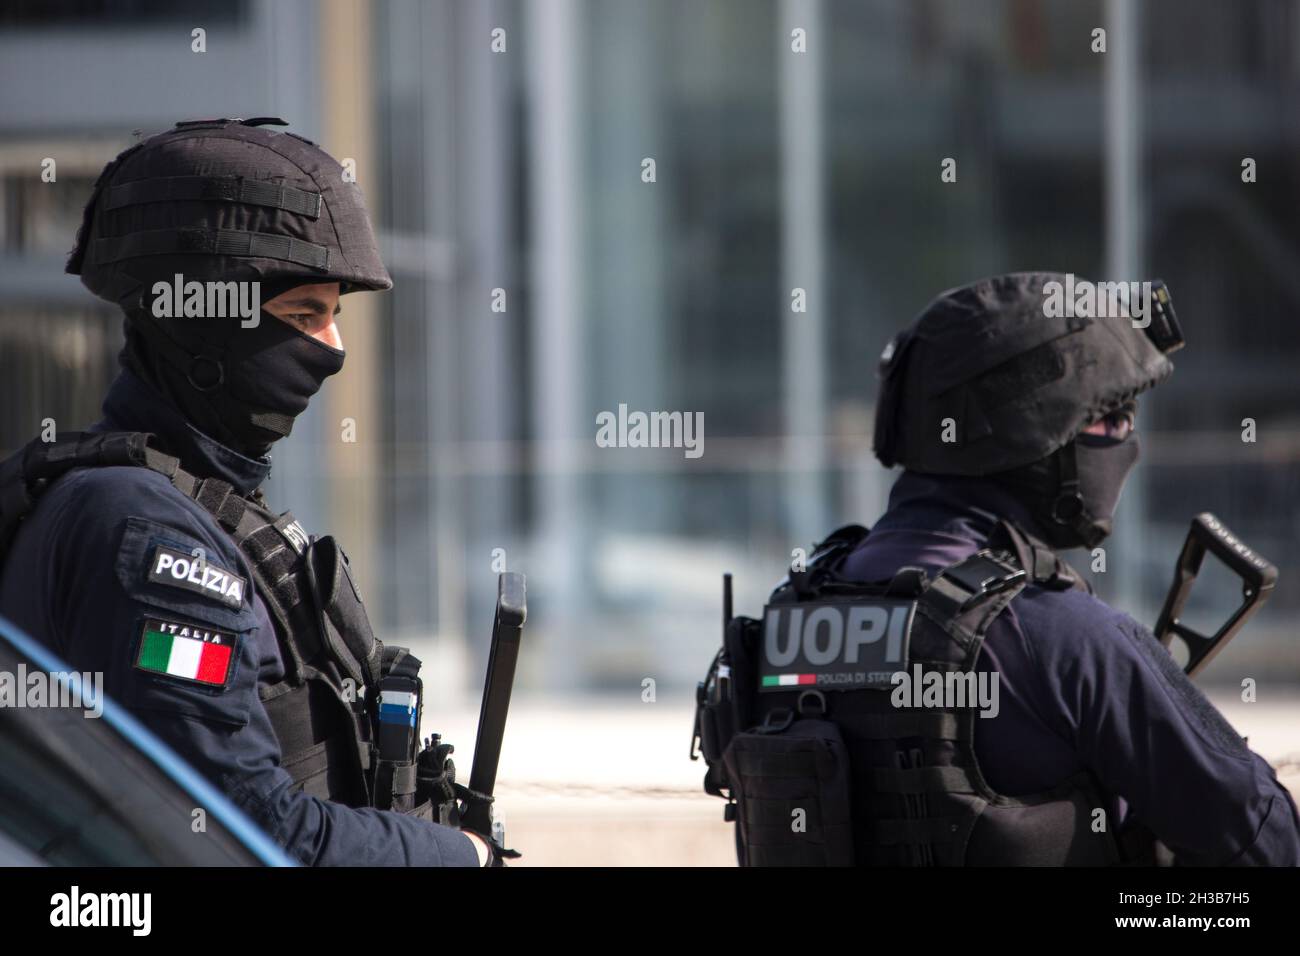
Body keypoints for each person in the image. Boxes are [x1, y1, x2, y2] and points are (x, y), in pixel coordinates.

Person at [0, 118, 495, 866]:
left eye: (333, 315)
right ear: (206, 328)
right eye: (305, 315)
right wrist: (459, 856)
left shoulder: (194, 505)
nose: (333, 349)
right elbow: (239, 834)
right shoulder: (146, 534)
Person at [696, 272, 1299, 866]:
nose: (1124, 440)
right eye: (1110, 418)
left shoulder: (785, 623)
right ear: (1036, 435)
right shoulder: (1067, 637)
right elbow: (1268, 843)